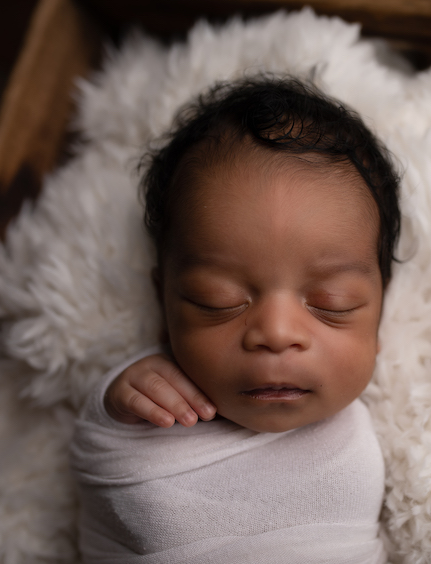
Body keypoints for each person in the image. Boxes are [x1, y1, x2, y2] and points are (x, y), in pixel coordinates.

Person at [70, 76, 400, 564]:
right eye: (217, 300)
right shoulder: (151, 407)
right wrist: (115, 405)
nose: (277, 334)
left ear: (379, 309)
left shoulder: (368, 435)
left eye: (333, 303)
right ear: (162, 300)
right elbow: (97, 459)